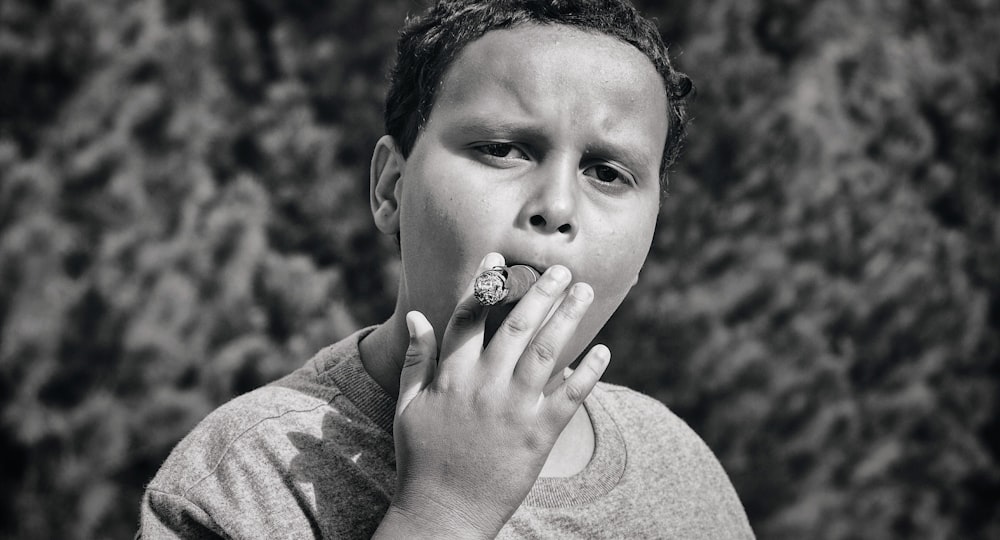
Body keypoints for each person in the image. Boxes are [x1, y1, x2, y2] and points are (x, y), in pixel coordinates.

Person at [139, 0, 755, 537]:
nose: (557, 208)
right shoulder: (249, 477)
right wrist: (445, 510)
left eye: (607, 173)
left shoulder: (675, 464)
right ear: (390, 187)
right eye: (503, 149)